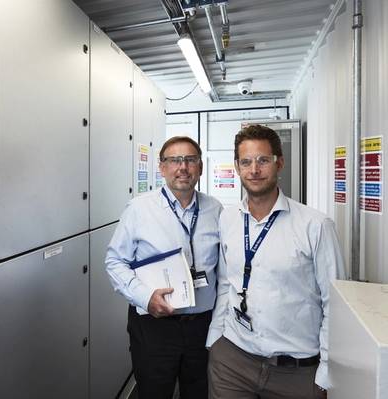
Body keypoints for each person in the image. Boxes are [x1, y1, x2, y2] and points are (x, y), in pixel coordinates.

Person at [206, 125, 345, 399]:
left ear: (279, 163)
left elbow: (335, 304)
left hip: (295, 372)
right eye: (246, 162)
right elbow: (225, 284)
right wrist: (215, 340)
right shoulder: (227, 219)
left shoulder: (315, 225)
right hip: (232, 362)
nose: (254, 169)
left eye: (263, 160)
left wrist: (327, 371)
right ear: (237, 167)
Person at [105, 136, 223, 399]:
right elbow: (115, 261)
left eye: (190, 160)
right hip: (154, 326)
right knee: (154, 392)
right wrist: (145, 298)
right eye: (174, 160)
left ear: (200, 167)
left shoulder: (215, 209)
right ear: (162, 167)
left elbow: (224, 271)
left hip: (202, 327)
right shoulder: (139, 208)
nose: (183, 167)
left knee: (200, 392)